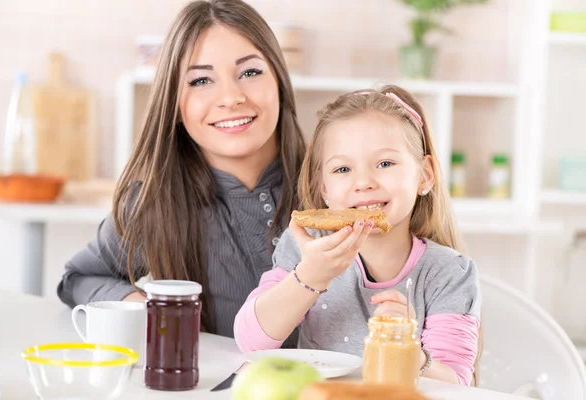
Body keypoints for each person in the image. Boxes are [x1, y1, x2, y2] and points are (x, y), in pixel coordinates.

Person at [57, 0, 306, 339]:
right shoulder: (155, 203)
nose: (230, 97)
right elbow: (79, 279)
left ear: (279, 81)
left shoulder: (337, 186)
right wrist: (142, 305)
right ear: (174, 104)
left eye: (250, 72)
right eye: (201, 80)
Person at [234, 85, 482, 385]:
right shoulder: (307, 246)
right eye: (342, 169)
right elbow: (251, 342)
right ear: (324, 188)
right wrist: (310, 276)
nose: (363, 182)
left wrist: (406, 347)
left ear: (425, 175)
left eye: (385, 163)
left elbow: (456, 384)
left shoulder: (449, 273)